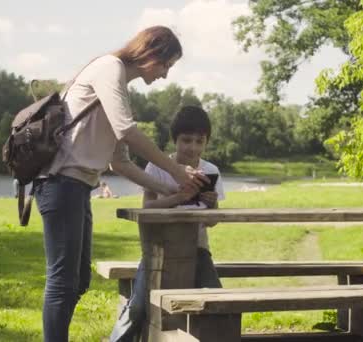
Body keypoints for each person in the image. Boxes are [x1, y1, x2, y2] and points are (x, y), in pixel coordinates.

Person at [33, 26, 207, 342]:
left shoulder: (120, 88)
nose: (166, 75)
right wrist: (177, 170)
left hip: (77, 187)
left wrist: (172, 188)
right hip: (60, 184)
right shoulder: (108, 68)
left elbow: (119, 162)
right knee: (62, 282)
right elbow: (126, 131)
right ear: (152, 53)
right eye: (167, 65)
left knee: (79, 281)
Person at [110, 106, 225, 342]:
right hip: (158, 251)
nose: (192, 147)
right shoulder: (157, 167)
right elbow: (146, 210)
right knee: (139, 307)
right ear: (175, 140)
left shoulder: (211, 171)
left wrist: (212, 204)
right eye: (186, 140)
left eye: (199, 141)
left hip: (198, 250)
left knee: (218, 302)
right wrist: (177, 199)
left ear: (206, 142)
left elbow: (212, 222)